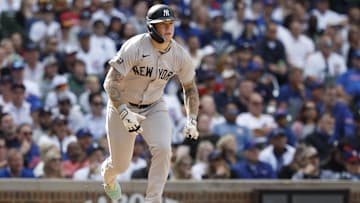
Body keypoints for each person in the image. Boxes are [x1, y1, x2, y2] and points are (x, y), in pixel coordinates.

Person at [101, 4, 200, 203]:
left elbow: (190, 88)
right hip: (123, 104)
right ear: (151, 27)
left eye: (170, 23)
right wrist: (123, 112)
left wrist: (192, 119)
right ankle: (107, 176)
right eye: (162, 24)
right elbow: (110, 82)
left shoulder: (180, 55)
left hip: (154, 106)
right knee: (121, 165)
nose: (168, 28)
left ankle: (153, 199)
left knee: (164, 149)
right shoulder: (135, 46)